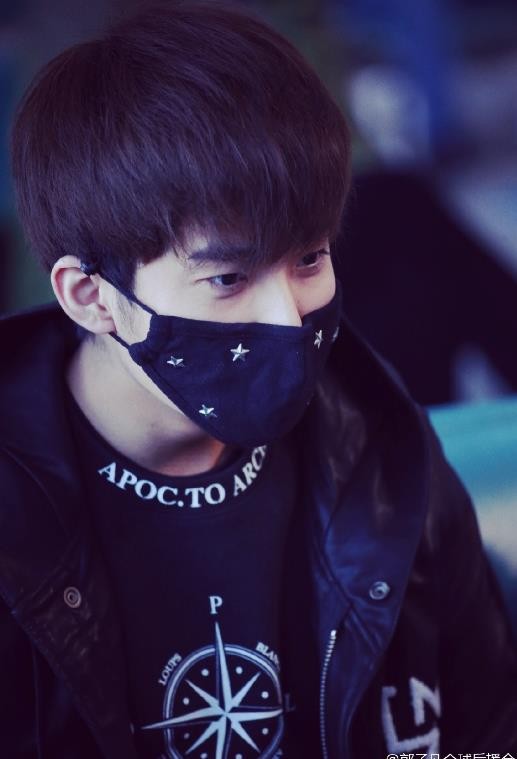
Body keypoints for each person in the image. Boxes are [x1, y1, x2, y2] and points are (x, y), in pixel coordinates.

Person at [3, 2, 517, 757]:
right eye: (228, 278)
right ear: (92, 297)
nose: (287, 316)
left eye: (309, 257)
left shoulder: (385, 453)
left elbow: (492, 728)